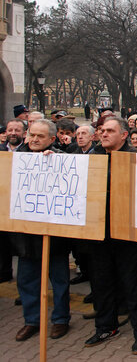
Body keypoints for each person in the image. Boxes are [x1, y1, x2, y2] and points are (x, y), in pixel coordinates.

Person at [88, 117, 137, 354]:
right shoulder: (92, 158)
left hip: (128, 232)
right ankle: (106, 326)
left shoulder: (136, 160)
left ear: (124, 135)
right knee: (102, 282)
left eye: (110, 131)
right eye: (102, 130)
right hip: (98, 230)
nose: (104, 134)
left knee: (133, 283)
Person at [12, 119, 71, 342]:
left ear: (52, 139)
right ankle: (32, 320)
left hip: (54, 236)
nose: (35, 140)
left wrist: (58, 161)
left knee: (59, 280)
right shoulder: (15, 159)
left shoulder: (61, 158)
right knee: (27, 280)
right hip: (25, 235)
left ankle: (60, 319)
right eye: (32, 135)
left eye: (41, 136)